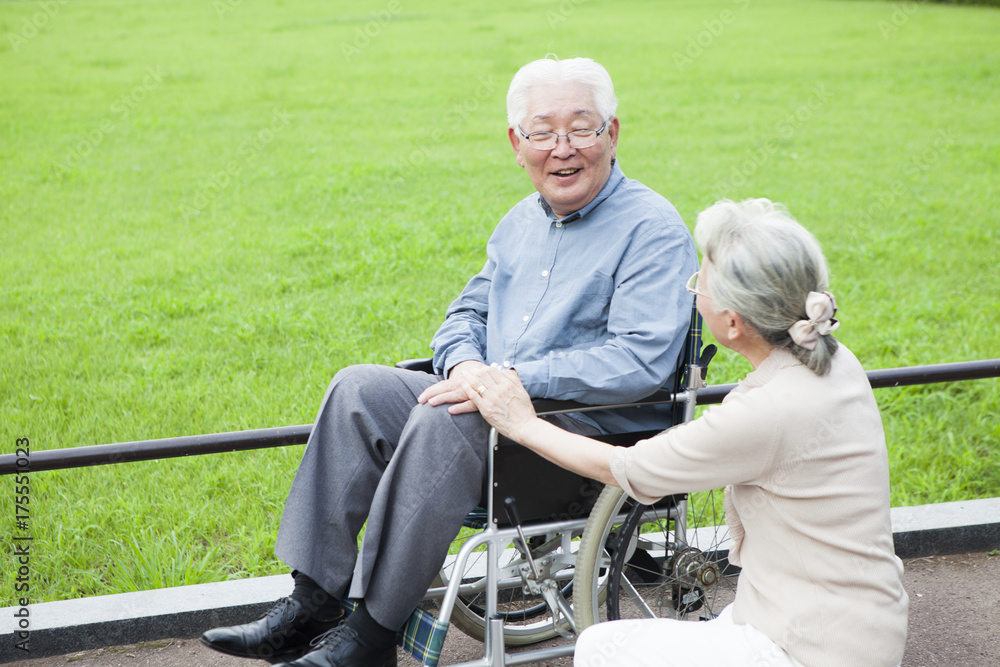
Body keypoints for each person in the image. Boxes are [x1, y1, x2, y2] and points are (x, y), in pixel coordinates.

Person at [199, 56, 698, 667]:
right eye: (542, 132)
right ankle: (314, 601)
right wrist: (466, 367)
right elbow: (465, 317)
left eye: (582, 128)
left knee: (450, 419)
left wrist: (511, 384)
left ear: (613, 133)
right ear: (518, 144)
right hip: (494, 413)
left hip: (578, 437)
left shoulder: (652, 228)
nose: (562, 149)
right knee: (357, 389)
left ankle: (372, 638)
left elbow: (639, 361)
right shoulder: (519, 224)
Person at [460, 199, 909, 667]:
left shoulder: (765, 412)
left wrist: (522, 424)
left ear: (732, 323)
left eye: (700, 284)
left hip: (806, 645)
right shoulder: (837, 360)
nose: (693, 292)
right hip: (859, 625)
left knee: (598, 647)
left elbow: (626, 468)